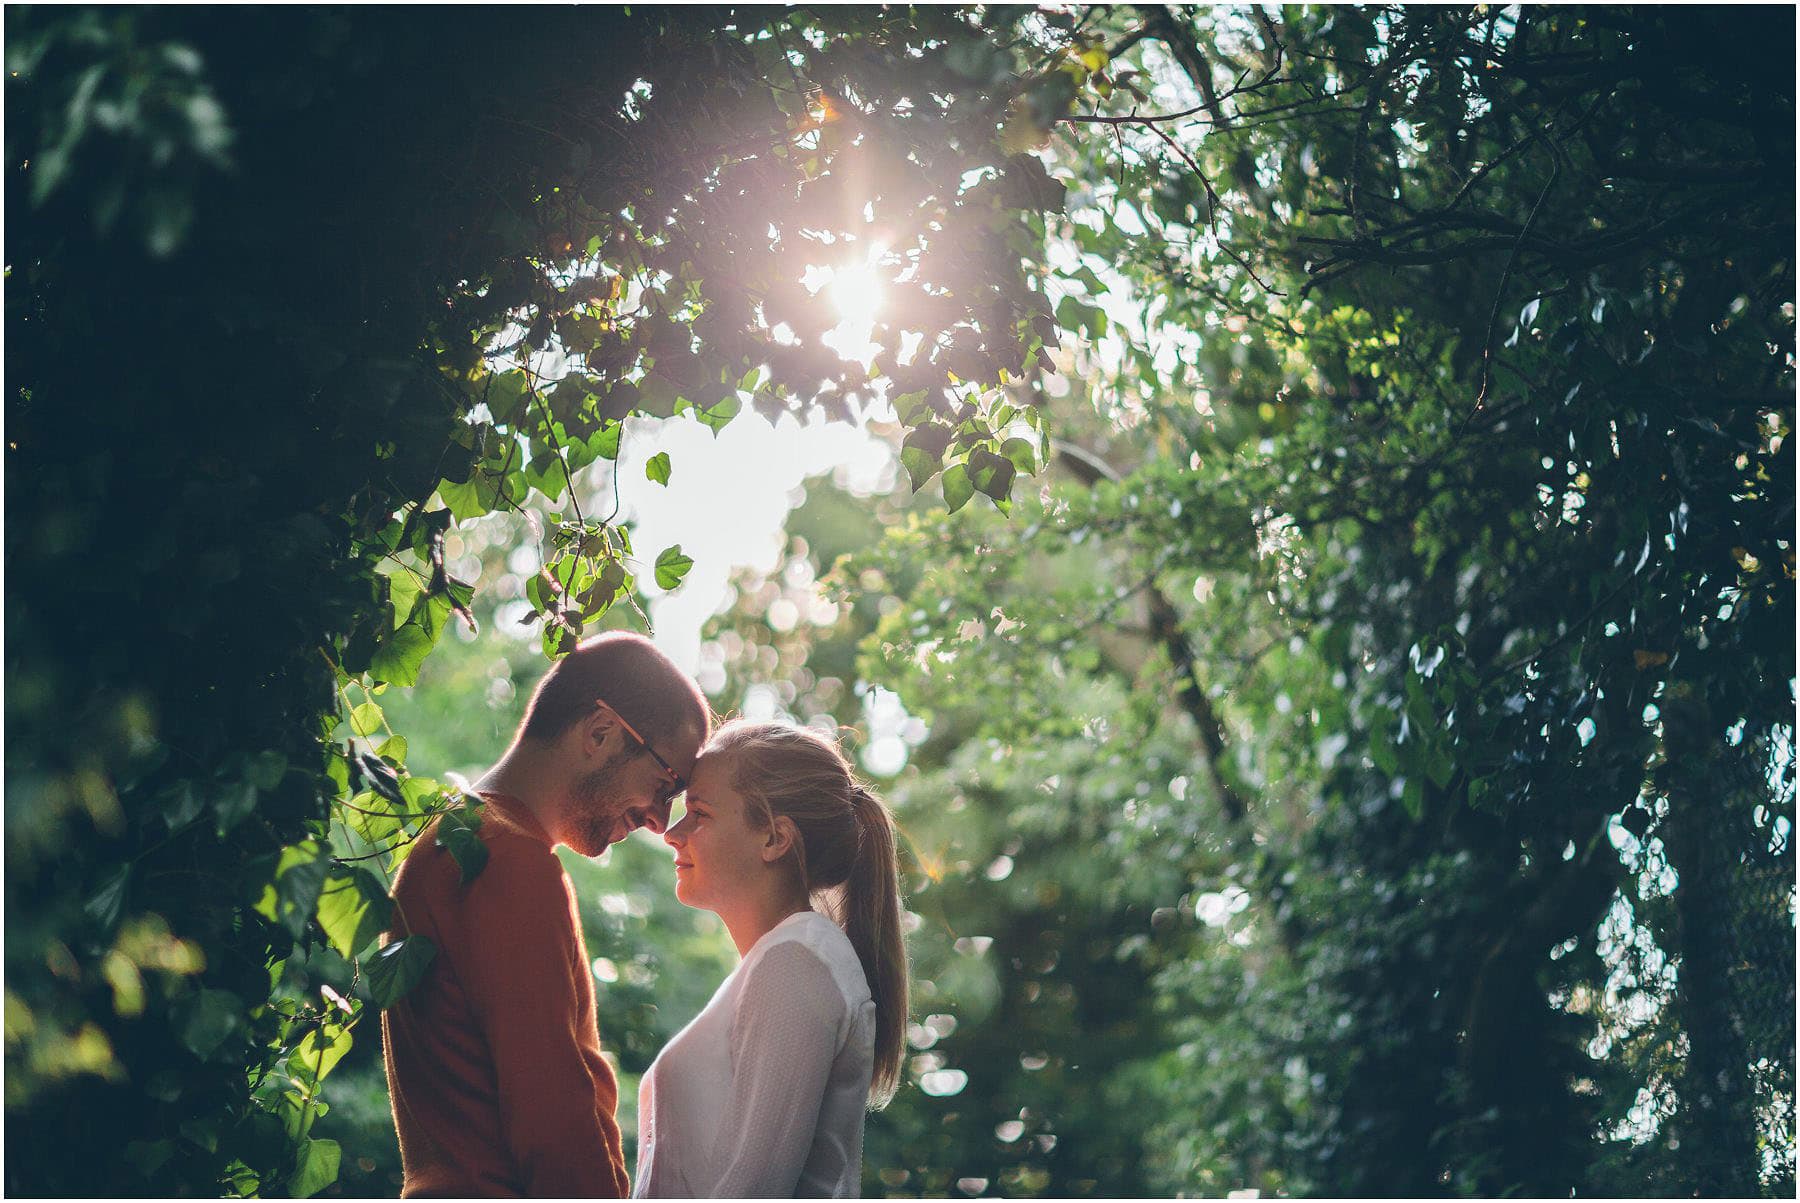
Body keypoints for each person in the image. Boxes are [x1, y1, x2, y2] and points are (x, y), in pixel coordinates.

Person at [381, 631, 709, 1197]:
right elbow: (553, 1118)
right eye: (665, 784)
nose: (660, 819)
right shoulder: (506, 860)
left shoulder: (453, 838)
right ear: (601, 732)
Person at [633, 719, 909, 1198]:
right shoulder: (786, 960)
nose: (672, 833)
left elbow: (752, 1190)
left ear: (774, 839)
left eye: (699, 813)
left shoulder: (796, 965)